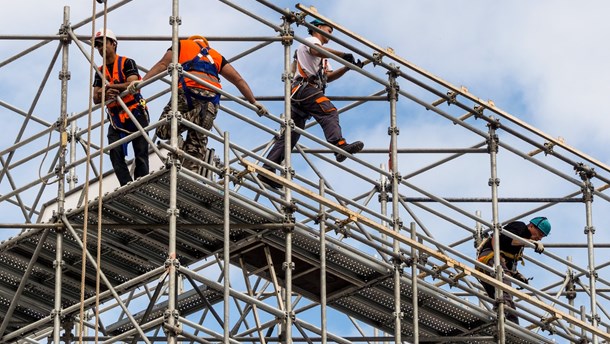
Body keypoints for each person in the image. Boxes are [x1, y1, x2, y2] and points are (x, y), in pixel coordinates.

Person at [132, 35, 268, 174]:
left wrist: (142, 82)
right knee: (196, 146)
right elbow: (238, 79)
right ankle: (189, 174)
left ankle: (199, 114)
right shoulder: (216, 56)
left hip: (187, 91)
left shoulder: (182, 45)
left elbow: (163, 64)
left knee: (162, 130)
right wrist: (254, 102)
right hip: (212, 99)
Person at [258, 19, 364, 189]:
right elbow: (316, 51)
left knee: (291, 134)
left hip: (304, 92)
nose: (330, 35)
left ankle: (267, 169)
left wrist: (346, 67)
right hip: (305, 89)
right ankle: (338, 145)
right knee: (329, 111)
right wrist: (343, 55)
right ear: (317, 28)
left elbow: (327, 76)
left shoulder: (323, 57)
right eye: (328, 30)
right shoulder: (312, 42)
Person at [92, 29, 150, 186]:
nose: (100, 48)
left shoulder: (127, 62)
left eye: (103, 43)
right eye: (97, 46)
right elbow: (96, 98)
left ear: (113, 43)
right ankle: (126, 185)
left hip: (134, 111)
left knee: (141, 151)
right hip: (116, 117)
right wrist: (106, 92)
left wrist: (113, 87)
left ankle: (142, 184)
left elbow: (134, 84)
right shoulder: (100, 71)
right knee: (115, 153)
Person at [476, 216, 551, 324]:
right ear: (531, 226)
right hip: (489, 258)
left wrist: (516, 275)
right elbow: (510, 240)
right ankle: (512, 324)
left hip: (488, 265)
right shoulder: (520, 227)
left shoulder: (521, 244)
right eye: (539, 234)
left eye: (542, 236)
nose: (539, 238)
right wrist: (531, 243)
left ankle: (500, 322)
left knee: (497, 297)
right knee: (506, 293)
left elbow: (509, 261)